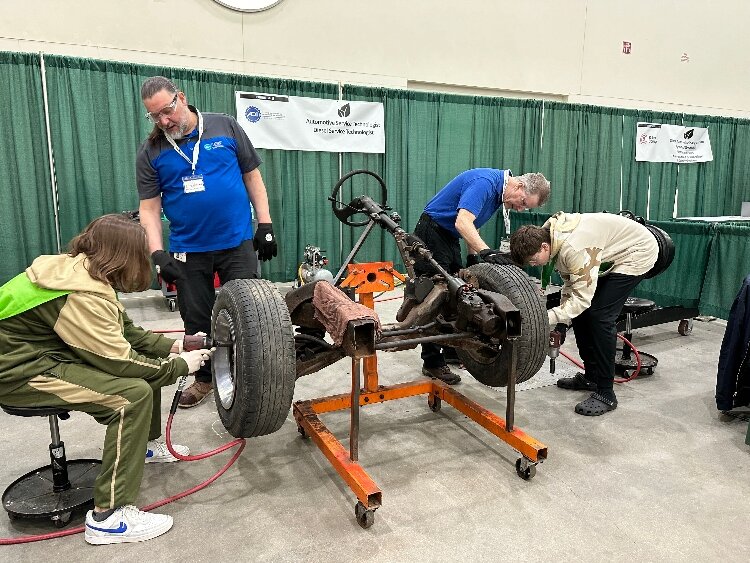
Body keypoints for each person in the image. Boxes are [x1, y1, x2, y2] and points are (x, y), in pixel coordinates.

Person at [0, 214, 212, 544]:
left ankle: (144, 448)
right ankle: (108, 517)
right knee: (131, 395)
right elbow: (123, 362)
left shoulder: (85, 271)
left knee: (149, 368)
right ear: (125, 255)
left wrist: (177, 345)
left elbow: (128, 334)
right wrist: (181, 366)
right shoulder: (80, 294)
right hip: (19, 372)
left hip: (44, 354)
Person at [136, 76, 277, 408]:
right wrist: (157, 252)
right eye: (154, 116)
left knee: (249, 314)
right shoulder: (152, 150)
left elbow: (251, 175)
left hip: (236, 241)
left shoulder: (224, 126)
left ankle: (251, 376)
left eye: (167, 111)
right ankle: (204, 379)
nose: (163, 121)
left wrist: (265, 223)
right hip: (189, 249)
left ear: (181, 98)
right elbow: (149, 207)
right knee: (196, 321)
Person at [509, 211, 658, 416]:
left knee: (600, 317)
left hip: (638, 251)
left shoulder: (573, 248)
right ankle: (591, 377)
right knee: (581, 314)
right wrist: (561, 324)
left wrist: (542, 319)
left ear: (544, 247)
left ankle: (606, 392)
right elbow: (571, 284)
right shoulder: (548, 236)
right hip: (610, 250)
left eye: (534, 261)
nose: (534, 265)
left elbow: (580, 300)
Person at [412, 168, 551, 384]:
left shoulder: (498, 194)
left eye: (525, 207)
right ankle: (432, 362)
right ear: (520, 186)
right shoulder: (485, 183)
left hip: (449, 236)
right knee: (436, 295)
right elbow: (462, 222)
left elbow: (471, 226)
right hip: (432, 232)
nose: (520, 208)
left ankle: (451, 347)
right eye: (523, 202)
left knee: (459, 292)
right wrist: (487, 252)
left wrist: (472, 257)